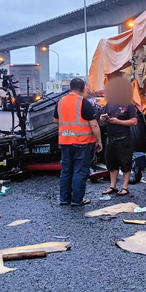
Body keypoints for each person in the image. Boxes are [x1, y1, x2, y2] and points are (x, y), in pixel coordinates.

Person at [54, 77, 102, 206]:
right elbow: (94, 124)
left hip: (65, 141)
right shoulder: (83, 102)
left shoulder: (60, 101)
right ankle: (77, 200)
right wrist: (99, 141)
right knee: (79, 171)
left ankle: (64, 199)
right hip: (82, 142)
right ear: (83, 89)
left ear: (70, 88)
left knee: (66, 171)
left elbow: (56, 120)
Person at [99, 76, 138, 196]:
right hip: (110, 138)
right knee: (111, 163)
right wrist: (103, 118)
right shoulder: (109, 104)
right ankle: (113, 186)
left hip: (123, 139)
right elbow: (101, 117)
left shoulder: (129, 105)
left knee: (125, 163)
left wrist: (118, 121)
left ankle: (125, 187)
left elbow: (134, 121)